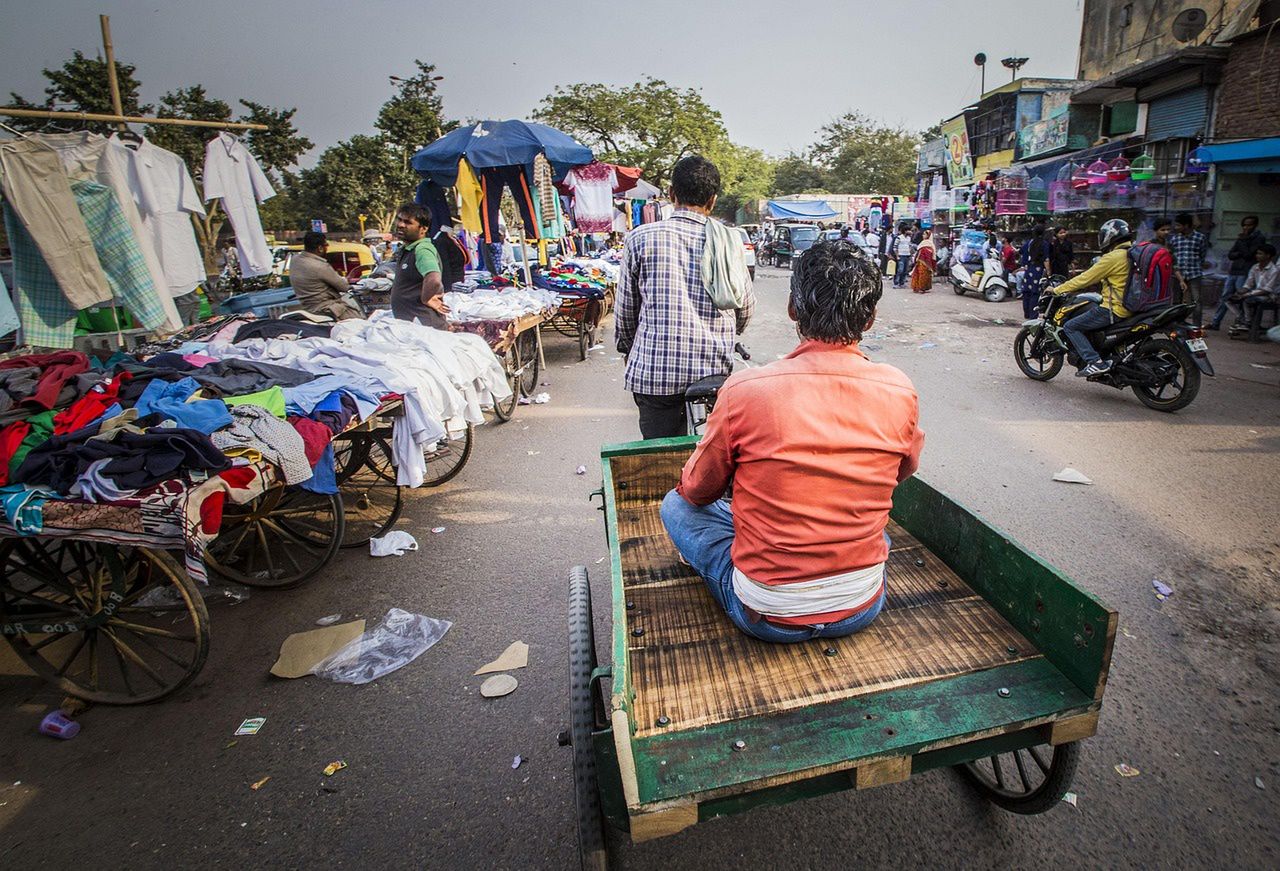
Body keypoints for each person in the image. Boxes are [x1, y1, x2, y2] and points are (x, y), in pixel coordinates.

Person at [659, 241, 924, 643]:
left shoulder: (745, 389)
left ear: (793, 309)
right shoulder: (899, 389)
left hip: (767, 616)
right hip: (862, 605)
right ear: (869, 319)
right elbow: (901, 471)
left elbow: (697, 490)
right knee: (873, 530)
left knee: (675, 506)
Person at [615, 155, 755, 438]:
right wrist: (729, 331)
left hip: (655, 374)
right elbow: (745, 309)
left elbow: (626, 314)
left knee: (660, 454)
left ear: (671, 194)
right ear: (712, 201)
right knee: (716, 453)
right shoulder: (729, 242)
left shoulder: (640, 238)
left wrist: (629, 349)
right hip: (712, 372)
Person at [1050, 218, 1133, 377]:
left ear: (1108, 237)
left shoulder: (1112, 257)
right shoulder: (1133, 254)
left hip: (1114, 309)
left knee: (1070, 326)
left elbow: (1085, 279)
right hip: (1134, 308)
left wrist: (1057, 289)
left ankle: (1095, 361)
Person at [390, 203, 448, 328]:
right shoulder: (408, 249)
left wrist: (426, 299)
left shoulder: (422, 249)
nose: (400, 225)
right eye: (399, 219)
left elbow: (434, 279)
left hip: (425, 326)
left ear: (423, 229)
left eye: (408, 222)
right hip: (414, 326)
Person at [1209, 215, 1267, 330]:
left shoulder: (1258, 238)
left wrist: (1242, 242)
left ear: (1255, 225)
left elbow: (1249, 254)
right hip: (1234, 271)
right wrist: (1240, 249)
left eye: (1249, 225)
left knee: (1242, 298)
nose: (1246, 227)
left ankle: (1245, 322)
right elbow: (1231, 255)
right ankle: (1216, 322)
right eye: (1244, 225)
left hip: (1245, 272)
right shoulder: (1241, 239)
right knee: (1225, 297)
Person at [290, 231, 362, 321]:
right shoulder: (320, 266)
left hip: (308, 307)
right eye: (326, 245)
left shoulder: (295, 260)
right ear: (320, 248)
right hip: (326, 307)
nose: (327, 248)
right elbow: (344, 287)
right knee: (360, 322)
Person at [1225, 243, 1279, 334]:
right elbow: (1248, 285)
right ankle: (1243, 319)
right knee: (1228, 299)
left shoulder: (1275, 270)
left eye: (1260, 253)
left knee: (1247, 300)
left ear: (1268, 255)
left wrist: (1247, 294)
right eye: (1257, 253)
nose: (1257, 255)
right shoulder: (1255, 267)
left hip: (1270, 296)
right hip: (1256, 293)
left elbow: (1267, 290)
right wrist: (1240, 292)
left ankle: (1248, 322)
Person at [1167, 213, 1209, 325]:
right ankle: (1178, 324)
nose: (1176, 227)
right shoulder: (1175, 239)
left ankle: (1196, 326)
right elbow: (1173, 257)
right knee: (1177, 301)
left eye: (1178, 225)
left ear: (1186, 225)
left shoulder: (1200, 238)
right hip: (1178, 274)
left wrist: (1197, 265)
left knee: (1196, 301)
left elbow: (1202, 255)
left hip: (1194, 273)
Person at [1019, 226, 1052, 320]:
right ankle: (1033, 315)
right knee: (1035, 292)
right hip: (1038, 270)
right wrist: (1049, 272)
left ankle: (1026, 313)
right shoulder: (1044, 244)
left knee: (1026, 292)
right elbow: (1046, 259)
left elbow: (1021, 251)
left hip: (1029, 269)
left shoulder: (1029, 243)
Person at [432, 219, 468, 294]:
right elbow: (445, 267)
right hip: (452, 285)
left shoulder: (453, 238)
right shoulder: (441, 241)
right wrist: (447, 290)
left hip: (459, 283)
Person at [910, 228, 936, 293]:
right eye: (923, 234)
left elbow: (932, 254)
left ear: (928, 235)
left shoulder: (930, 243)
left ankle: (923, 288)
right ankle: (917, 287)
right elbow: (919, 251)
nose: (923, 235)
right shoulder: (922, 243)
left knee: (925, 275)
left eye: (924, 234)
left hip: (926, 262)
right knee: (919, 274)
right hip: (920, 261)